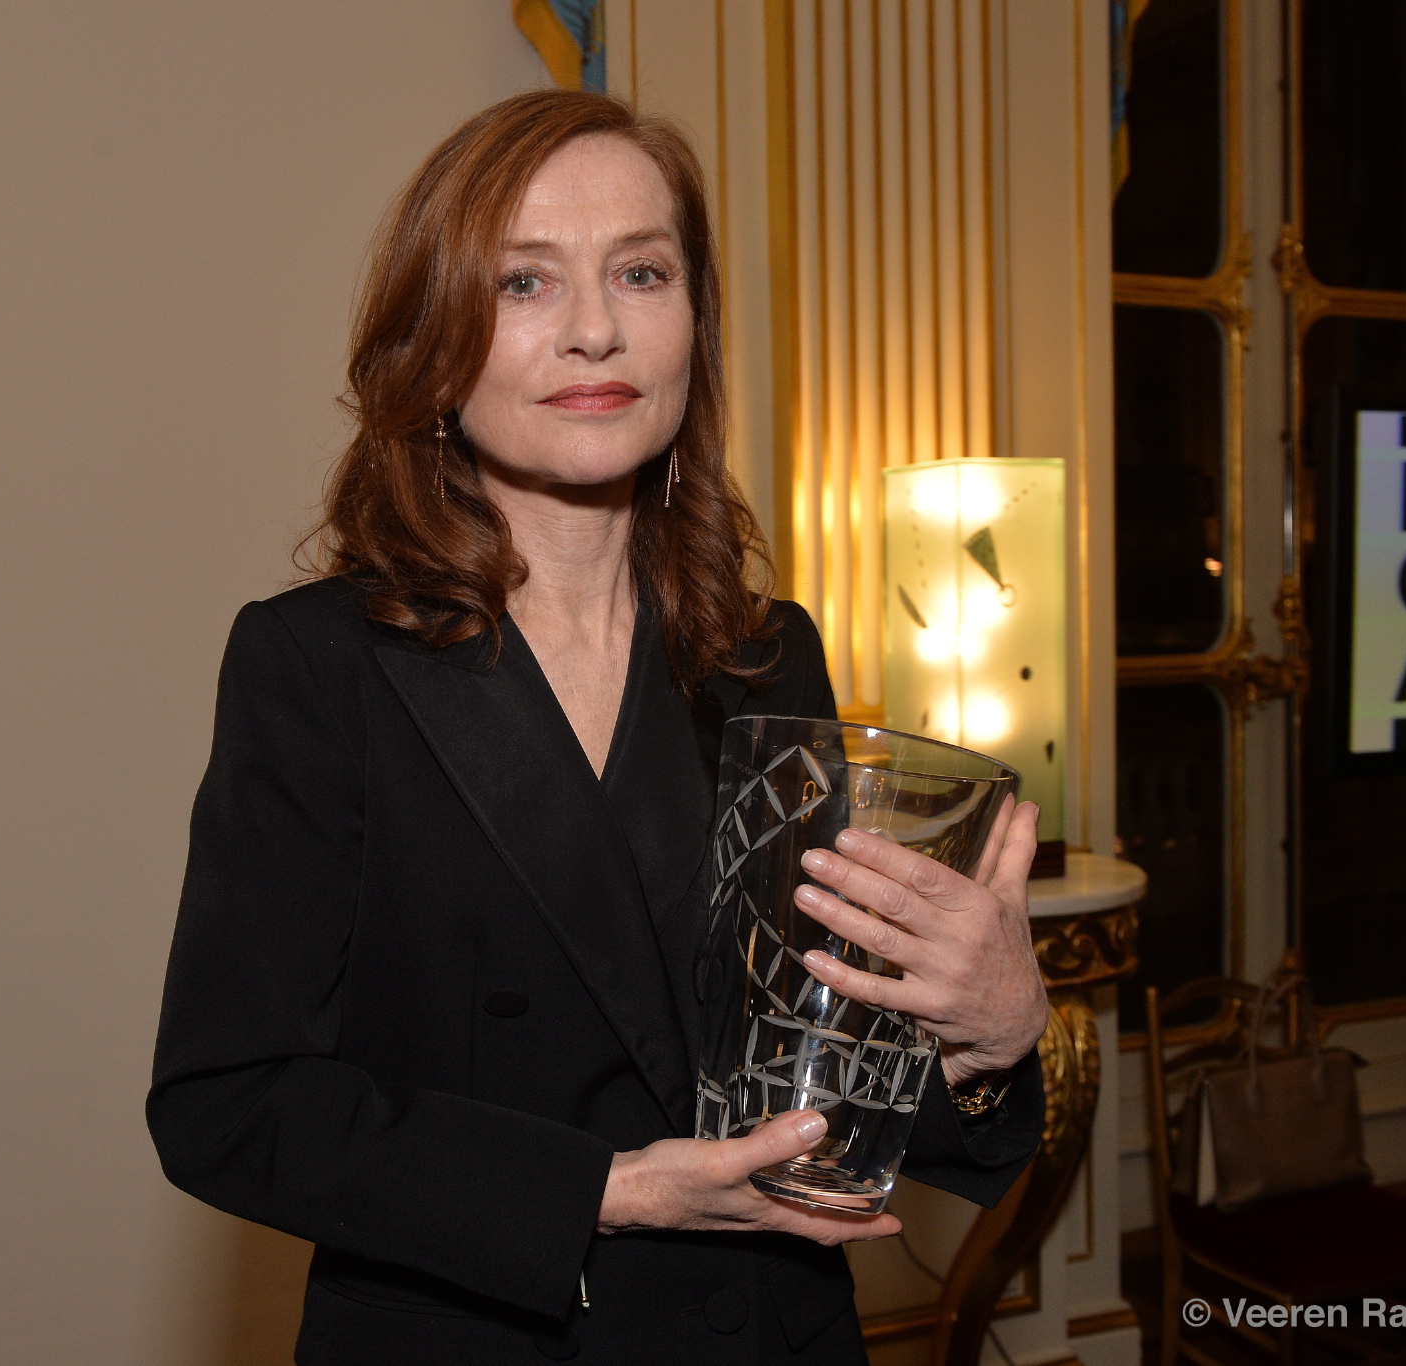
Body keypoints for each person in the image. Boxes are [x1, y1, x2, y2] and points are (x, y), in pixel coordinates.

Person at [148, 89, 1050, 1365]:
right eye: (524, 283)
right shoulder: (317, 667)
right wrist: (606, 1190)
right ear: (435, 344)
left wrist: (992, 1030)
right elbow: (226, 1106)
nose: (592, 329)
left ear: (692, 325)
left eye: (641, 271)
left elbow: (825, 1074)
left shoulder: (764, 650)